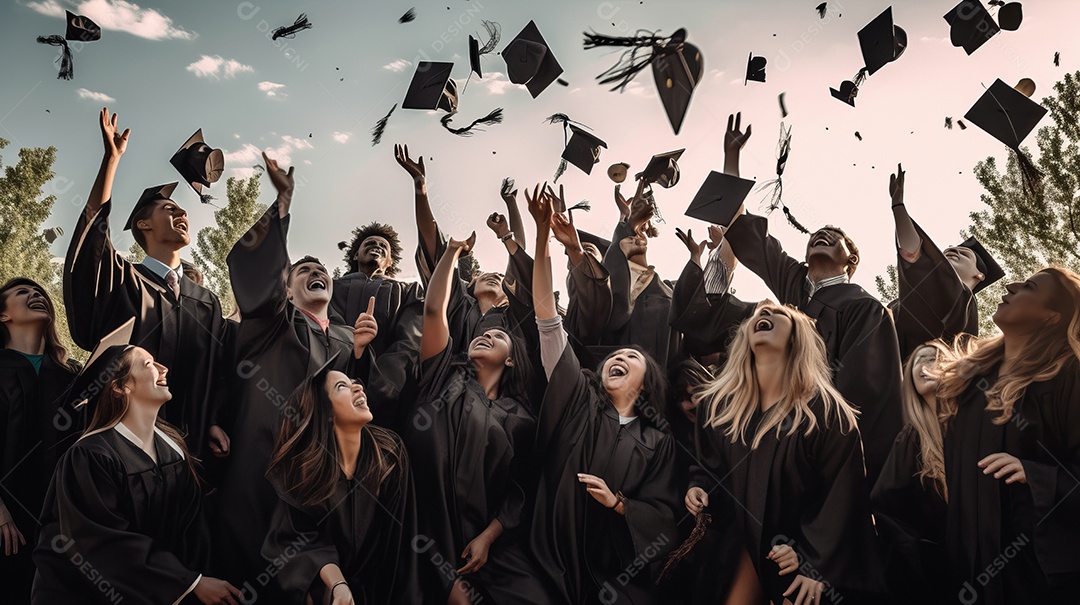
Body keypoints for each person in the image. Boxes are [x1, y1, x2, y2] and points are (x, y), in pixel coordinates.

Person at [495, 185, 677, 604]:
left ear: (647, 383)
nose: (620, 357)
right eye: (616, 355)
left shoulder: (657, 441)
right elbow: (546, 317)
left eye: (631, 357)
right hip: (543, 559)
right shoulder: (577, 396)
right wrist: (543, 234)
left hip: (610, 574)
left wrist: (620, 505)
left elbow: (664, 514)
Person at [214, 153, 377, 592]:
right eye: (303, 270)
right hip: (259, 463)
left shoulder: (346, 336)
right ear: (286, 290)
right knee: (249, 572)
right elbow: (256, 279)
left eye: (320, 270)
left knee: (317, 571)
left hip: (319, 475)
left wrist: (361, 354)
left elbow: (362, 407)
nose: (315, 272)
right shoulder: (273, 322)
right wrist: (283, 202)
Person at [721, 112, 903, 485]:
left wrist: (805, 424)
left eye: (835, 236)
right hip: (773, 429)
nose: (823, 234)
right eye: (817, 233)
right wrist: (732, 157)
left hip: (818, 446)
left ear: (851, 260)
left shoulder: (867, 309)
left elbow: (860, 397)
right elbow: (742, 231)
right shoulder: (793, 285)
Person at [686, 302, 886, 605]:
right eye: (757, 314)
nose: (764, 313)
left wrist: (816, 560)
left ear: (798, 337)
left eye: (779, 314)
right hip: (737, 549)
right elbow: (710, 467)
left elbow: (843, 496)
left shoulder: (825, 413)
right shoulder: (719, 408)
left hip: (794, 557)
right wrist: (699, 486)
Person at [63, 108, 231, 460]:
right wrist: (111, 162)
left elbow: (216, 370)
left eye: (182, 210)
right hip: (123, 446)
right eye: (170, 209)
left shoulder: (206, 302)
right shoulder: (126, 281)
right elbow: (92, 243)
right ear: (144, 225)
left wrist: (214, 420)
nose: (182, 213)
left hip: (190, 447)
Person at [32, 336, 240, 604]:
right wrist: (187, 582)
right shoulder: (91, 455)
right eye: (149, 364)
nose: (164, 369)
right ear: (121, 387)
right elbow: (101, 543)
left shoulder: (174, 448)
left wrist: (197, 578)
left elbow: (193, 528)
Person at [403, 231, 535, 604]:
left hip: (483, 544)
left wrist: (488, 538)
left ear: (512, 360)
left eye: (498, 337)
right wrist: (451, 252)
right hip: (424, 533)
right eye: (482, 334)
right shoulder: (442, 376)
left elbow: (519, 491)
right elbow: (434, 310)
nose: (486, 336)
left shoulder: (520, 418)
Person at [938, 268, 1080, 604]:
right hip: (964, 557)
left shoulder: (1067, 376)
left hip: (1030, 570)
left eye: (1029, 286)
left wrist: (1036, 474)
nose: (1012, 285)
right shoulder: (972, 381)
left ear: (1051, 316)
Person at [263, 357, 419, 604]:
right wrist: (337, 584)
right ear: (326, 413)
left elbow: (402, 542)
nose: (358, 387)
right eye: (342, 386)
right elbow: (300, 544)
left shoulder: (390, 456)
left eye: (355, 382)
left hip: (384, 591)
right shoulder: (306, 475)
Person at [0, 278, 81, 602]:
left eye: (39, 292)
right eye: (23, 292)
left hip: (63, 519)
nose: (35, 294)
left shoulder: (71, 375)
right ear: (3, 315)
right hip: (7, 520)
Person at [398, 145, 513, 352]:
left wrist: (508, 222)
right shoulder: (457, 306)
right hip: (449, 371)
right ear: (470, 286)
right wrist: (420, 184)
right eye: (485, 275)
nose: (494, 275)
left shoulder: (514, 318)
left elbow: (523, 263)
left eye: (500, 276)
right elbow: (433, 248)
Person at [888, 164, 1000, 359]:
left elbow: (917, 257)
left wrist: (899, 208)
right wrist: (897, 206)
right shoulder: (906, 301)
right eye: (947, 252)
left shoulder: (962, 302)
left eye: (964, 254)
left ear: (979, 275)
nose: (952, 251)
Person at [871, 342, 951, 604]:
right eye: (918, 360)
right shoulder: (910, 440)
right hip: (941, 570)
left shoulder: (978, 423)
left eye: (934, 358)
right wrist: (923, 552)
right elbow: (886, 508)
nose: (925, 364)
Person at [332, 221, 424, 430]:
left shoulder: (408, 292)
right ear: (355, 255)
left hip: (386, 400)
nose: (377, 246)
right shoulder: (332, 287)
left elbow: (409, 344)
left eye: (384, 246)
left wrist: (380, 385)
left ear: (390, 261)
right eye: (370, 243)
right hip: (329, 387)